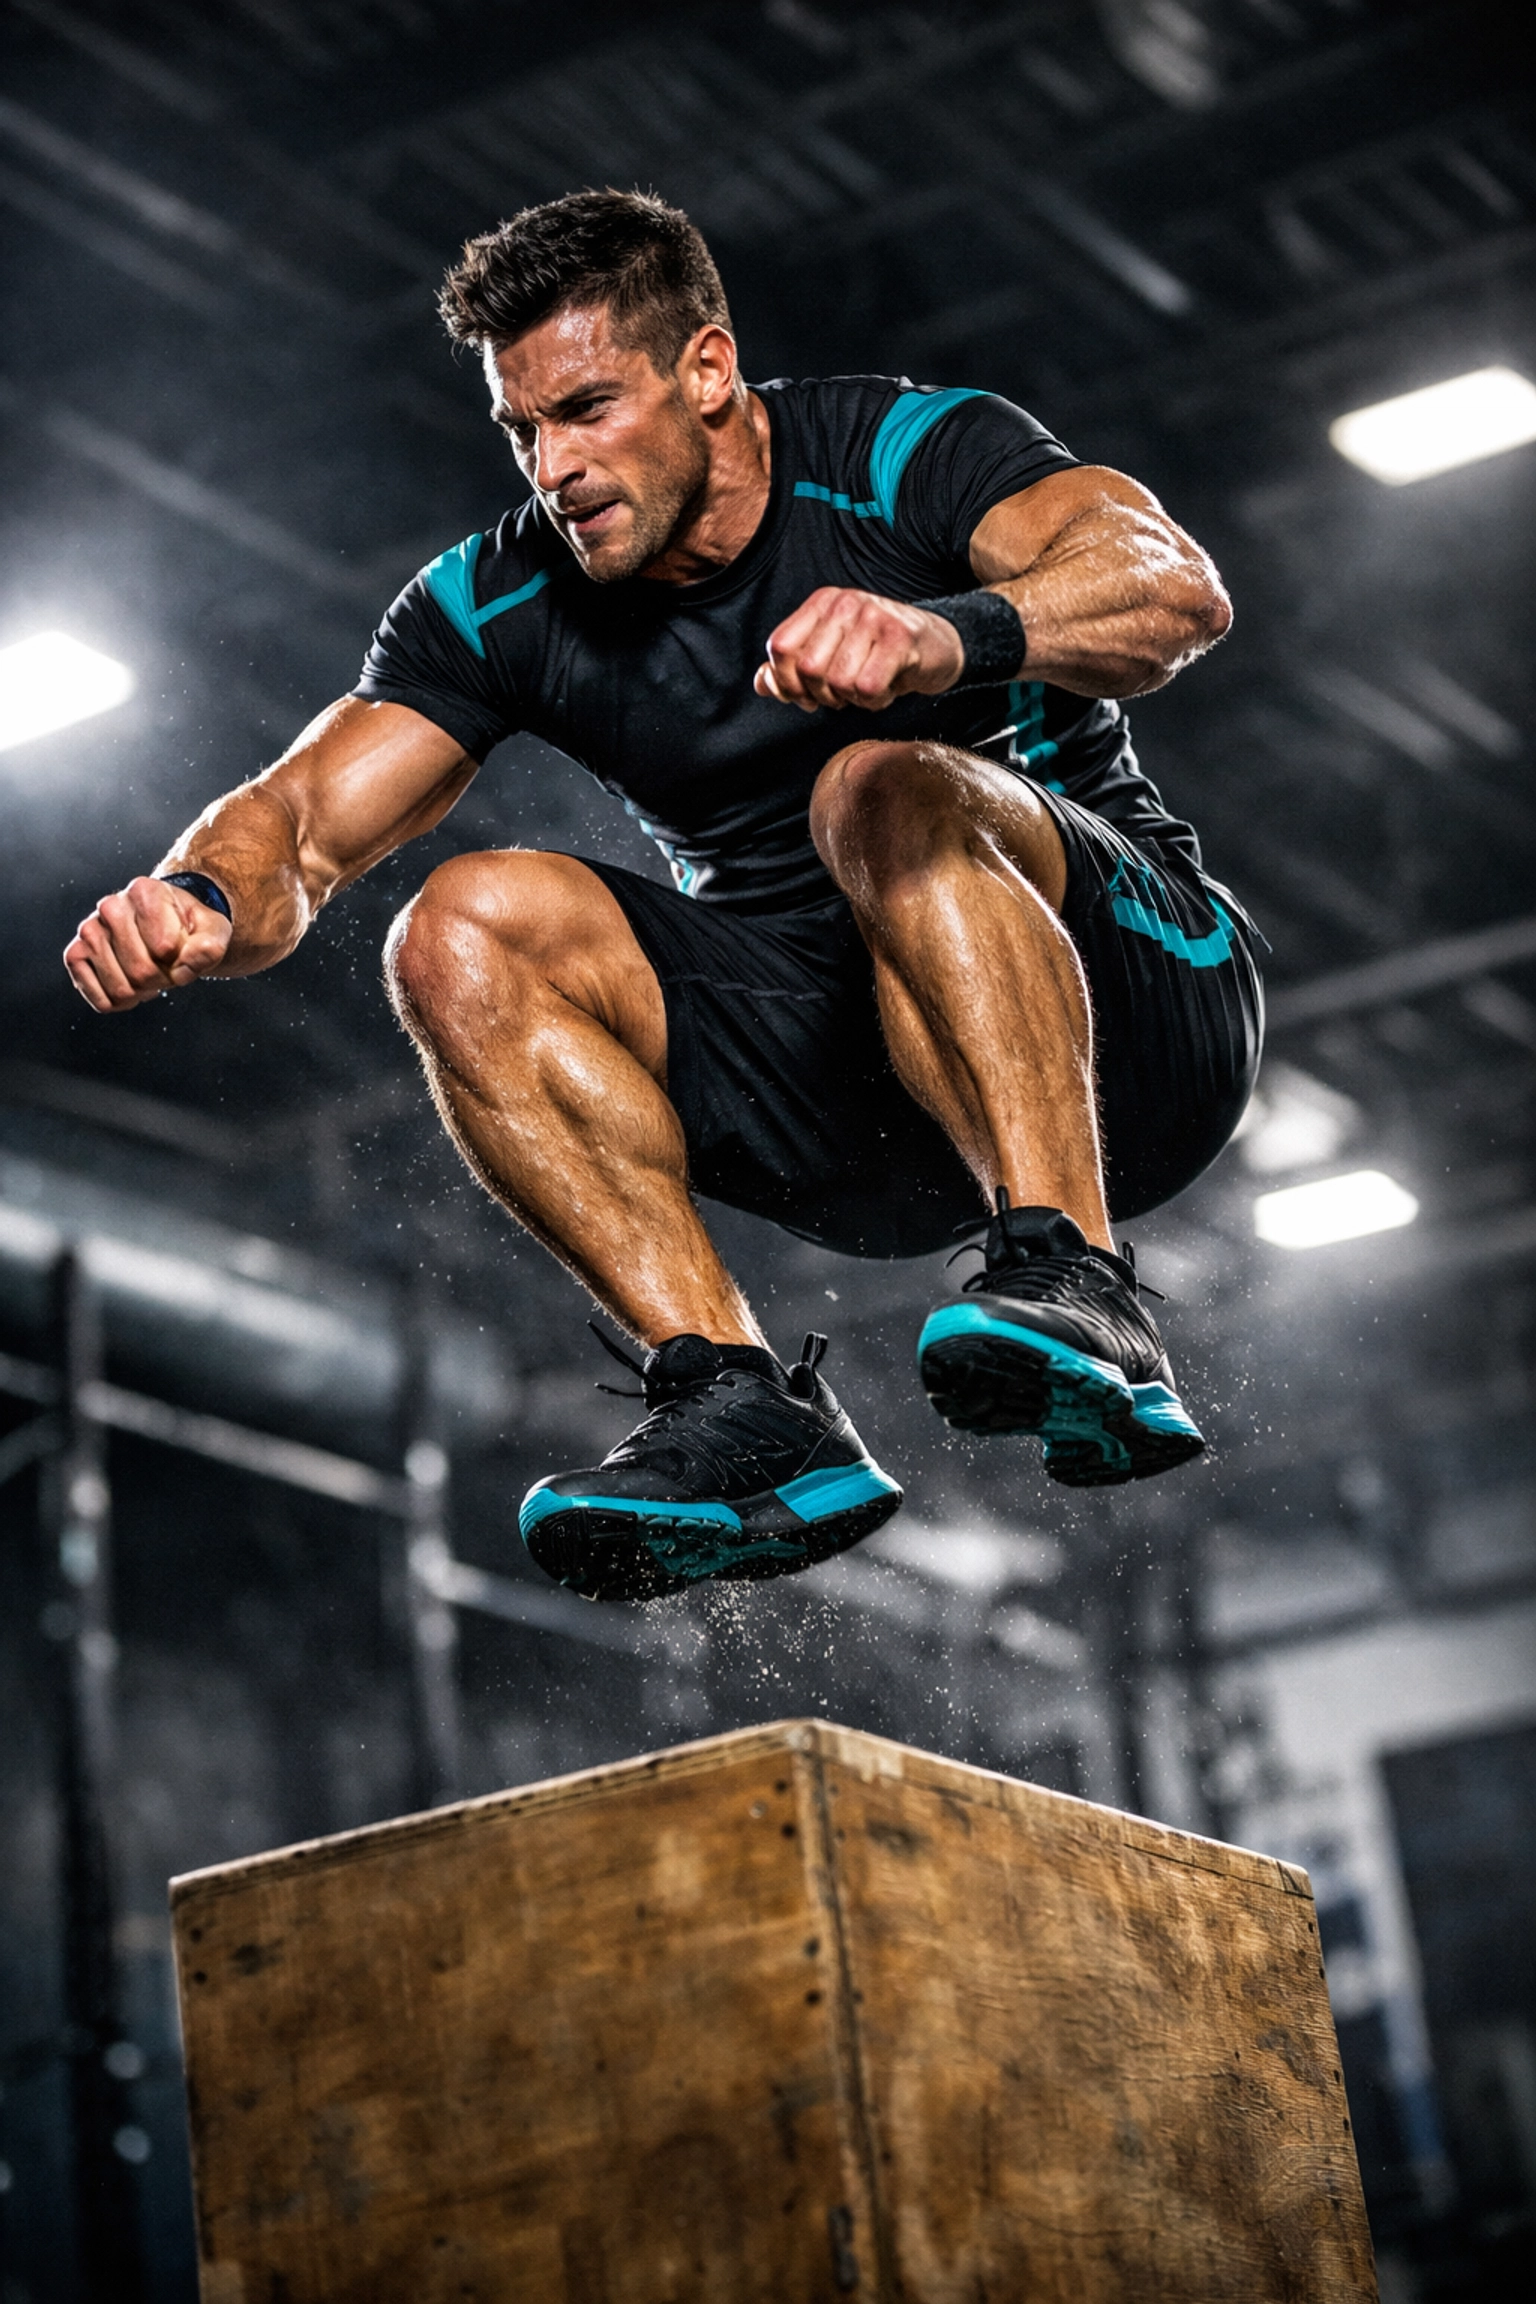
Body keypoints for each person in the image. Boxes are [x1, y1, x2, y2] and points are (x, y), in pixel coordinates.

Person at [65, 190, 1262, 1606]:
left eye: (587, 410)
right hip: (855, 1114)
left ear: (706, 369)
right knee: (457, 928)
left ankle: (1079, 1281)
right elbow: (302, 821)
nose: (556, 468)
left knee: (876, 785)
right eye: (523, 430)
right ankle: (741, 1418)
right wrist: (199, 893)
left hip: (1142, 1025)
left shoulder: (900, 453)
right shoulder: (498, 599)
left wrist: (947, 637)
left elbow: (1172, 592)